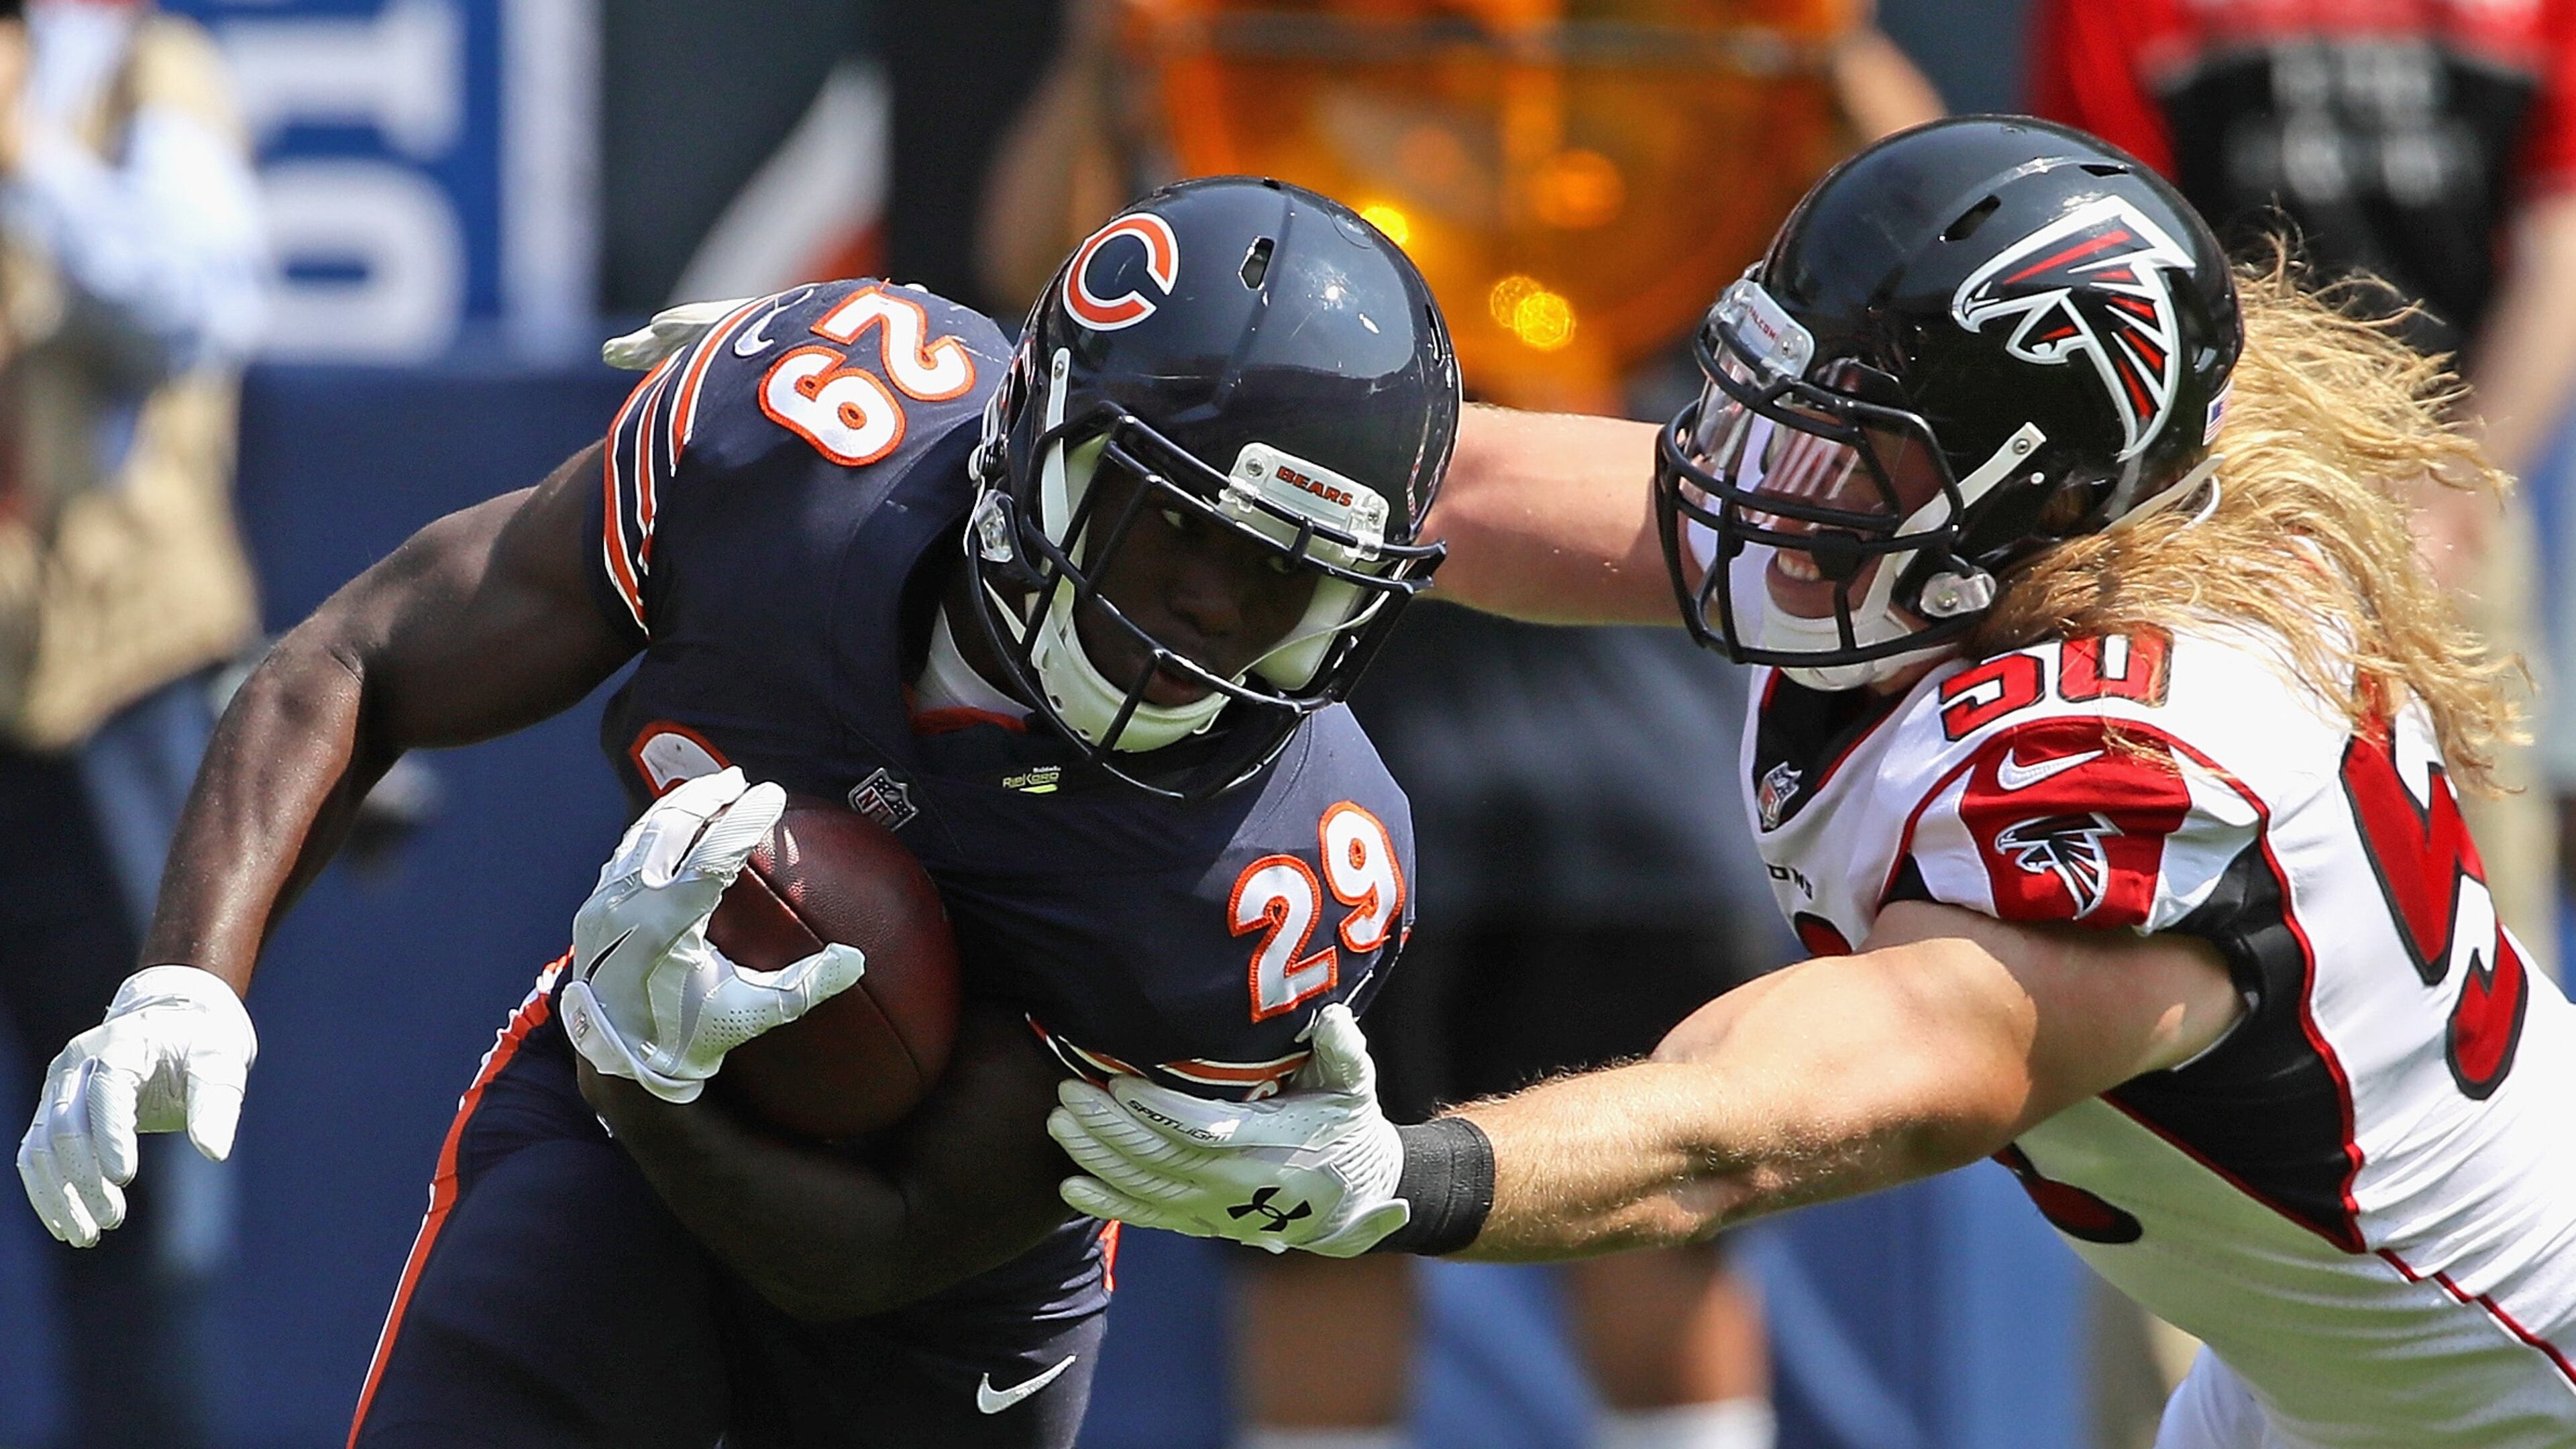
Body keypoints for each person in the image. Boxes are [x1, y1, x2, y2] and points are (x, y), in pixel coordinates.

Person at [1051, 117, 2576, 1448]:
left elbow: (1750, 1119)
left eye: (1849, 447)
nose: (1770, 481)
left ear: (2032, 497)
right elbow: (1458, 484)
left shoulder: (2121, 765)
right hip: (2338, 1374)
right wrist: (1083, 415)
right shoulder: (2036, 541)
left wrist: (1403, 1172)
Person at [16, 176, 1457, 1448]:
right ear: (1041, 440)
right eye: (1178, 529)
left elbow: (881, 1253)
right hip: (609, 1115)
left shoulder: (1273, 870)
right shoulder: (806, 454)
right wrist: (182, 985)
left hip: (947, 1311)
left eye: (1287, 580)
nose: (1208, 622)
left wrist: (639, 1074)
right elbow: (365, 654)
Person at [2024, 0, 2576, 974]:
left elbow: (2560, 241)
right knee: (2201, 868)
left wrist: (2457, 487)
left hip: (2457, 476)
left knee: (2492, 891)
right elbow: (2114, 247)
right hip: (2217, 498)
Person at [0, 0, 264, 1443]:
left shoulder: (149, 80)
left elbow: (197, 305)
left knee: (136, 1177)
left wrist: (24, 155)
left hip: (119, 698)